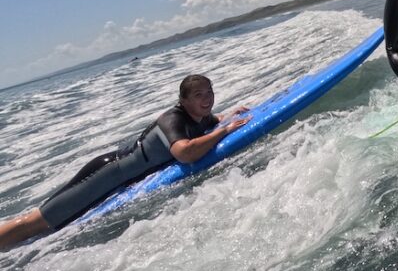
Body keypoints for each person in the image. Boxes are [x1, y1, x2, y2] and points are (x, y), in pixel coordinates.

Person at [0, 74, 251, 250]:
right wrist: (224, 132)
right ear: (183, 100)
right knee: (36, 222)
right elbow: (184, 152)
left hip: (120, 175)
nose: (207, 98)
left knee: (42, 225)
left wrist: (228, 117)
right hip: (106, 174)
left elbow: (212, 121)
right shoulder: (172, 119)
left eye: (209, 92)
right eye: (198, 95)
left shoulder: (201, 116)